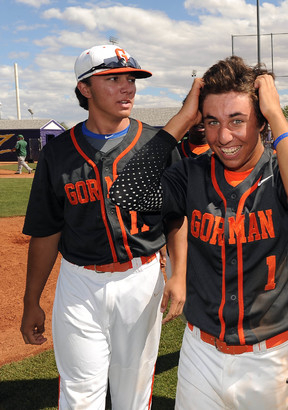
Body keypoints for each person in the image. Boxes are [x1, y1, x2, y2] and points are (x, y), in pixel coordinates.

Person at [109, 56, 288, 409]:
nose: (223, 136)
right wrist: (182, 119)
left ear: (261, 122)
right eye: (212, 122)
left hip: (271, 358)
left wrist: (277, 114)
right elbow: (125, 193)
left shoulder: (281, 170)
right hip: (200, 354)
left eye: (238, 121)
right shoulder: (190, 174)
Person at [19, 44, 184, 409]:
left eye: (131, 79)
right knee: (80, 394)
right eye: (113, 79)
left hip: (141, 280)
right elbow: (46, 231)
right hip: (79, 283)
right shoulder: (58, 153)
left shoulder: (157, 144)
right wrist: (31, 301)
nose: (128, 87)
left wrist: (178, 273)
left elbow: (176, 217)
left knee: (133, 392)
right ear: (85, 89)